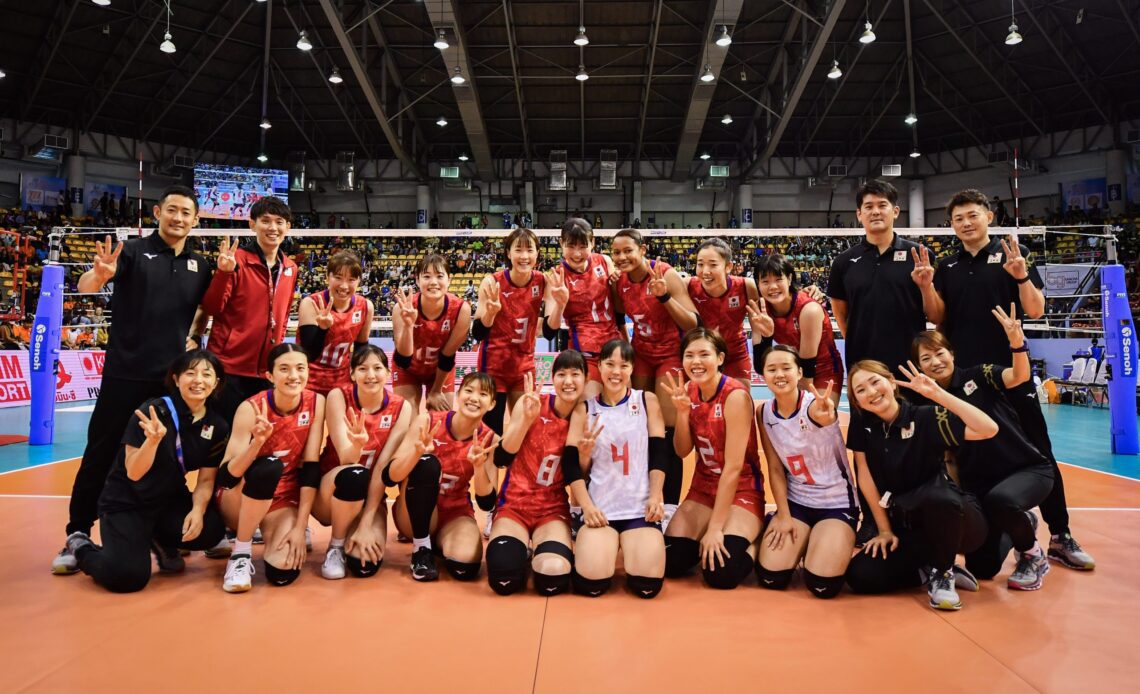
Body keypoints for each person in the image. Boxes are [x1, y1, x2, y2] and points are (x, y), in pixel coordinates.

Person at [925, 189, 1094, 570]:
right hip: (967, 381)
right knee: (968, 457)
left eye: (972, 215)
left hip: (1011, 374)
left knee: (1041, 451)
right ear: (951, 226)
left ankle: (1061, 535)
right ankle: (995, 525)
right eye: (958, 219)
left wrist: (1020, 278)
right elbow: (938, 319)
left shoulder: (1012, 257)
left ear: (988, 215)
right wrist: (924, 287)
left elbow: (1035, 309)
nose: (966, 223)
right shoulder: (947, 267)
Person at [53, 186, 213, 575]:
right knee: (102, 452)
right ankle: (77, 532)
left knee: (165, 459)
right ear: (158, 212)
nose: (178, 218)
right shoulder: (132, 252)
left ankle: (159, 532)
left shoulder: (201, 265)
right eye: (171, 210)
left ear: (195, 220)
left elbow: (204, 311)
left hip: (169, 383)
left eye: (185, 213)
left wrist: (195, 336)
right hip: (124, 375)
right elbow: (88, 286)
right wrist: (99, 274)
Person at [912, 307, 1053, 590]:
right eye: (926, 359)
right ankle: (1019, 523)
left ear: (952, 354)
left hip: (1027, 469)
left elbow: (1018, 377)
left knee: (1002, 500)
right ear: (919, 366)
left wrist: (1017, 343)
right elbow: (949, 457)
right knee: (983, 567)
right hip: (982, 485)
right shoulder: (927, 403)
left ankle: (1033, 555)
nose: (935, 362)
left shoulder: (980, 375)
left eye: (940, 353)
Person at [68, 350, 230, 593]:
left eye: (207, 374)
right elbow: (133, 472)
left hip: (167, 501)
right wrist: (152, 442)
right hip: (126, 502)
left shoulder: (216, 425)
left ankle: (160, 539)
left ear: (216, 382)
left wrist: (197, 510)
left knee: (211, 529)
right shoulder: (153, 410)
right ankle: (81, 547)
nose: (199, 380)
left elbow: (206, 480)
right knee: (127, 577)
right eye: (190, 373)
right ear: (176, 379)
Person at [844, 360, 997, 610]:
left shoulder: (924, 417)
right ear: (857, 401)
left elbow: (988, 429)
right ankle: (931, 567)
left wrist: (938, 394)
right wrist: (884, 530)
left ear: (891, 382)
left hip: (955, 519)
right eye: (860, 390)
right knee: (861, 575)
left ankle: (944, 572)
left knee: (938, 499)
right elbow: (865, 475)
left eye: (875, 382)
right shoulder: (864, 424)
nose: (871, 392)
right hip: (909, 525)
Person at [826, 179, 932, 543]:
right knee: (865, 448)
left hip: (908, 371)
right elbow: (840, 313)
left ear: (895, 211)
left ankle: (915, 514)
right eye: (868, 206)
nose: (875, 211)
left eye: (882, 205)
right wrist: (862, 344)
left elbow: (933, 309)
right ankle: (873, 517)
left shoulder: (917, 253)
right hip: (864, 372)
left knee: (914, 442)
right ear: (859, 214)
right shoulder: (845, 262)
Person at [214, 344, 326, 592]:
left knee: (282, 571)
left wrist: (299, 526)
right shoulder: (250, 408)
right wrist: (257, 444)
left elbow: (310, 467)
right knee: (268, 467)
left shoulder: (317, 402)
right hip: (240, 496)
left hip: (282, 499)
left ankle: (273, 532)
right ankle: (240, 553)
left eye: (300, 368)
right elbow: (226, 477)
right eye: (284, 369)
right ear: (270, 376)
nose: (293, 376)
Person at [660, 328, 765, 590]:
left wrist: (716, 528)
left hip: (741, 488)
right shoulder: (688, 390)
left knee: (722, 572)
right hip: (703, 489)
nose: (696, 362)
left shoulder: (735, 395)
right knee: (670, 561)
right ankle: (711, 533)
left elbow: (733, 468)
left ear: (719, 358)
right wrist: (682, 413)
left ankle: (757, 541)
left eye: (704, 354)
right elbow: (682, 451)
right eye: (689, 355)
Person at [611, 228, 699, 525]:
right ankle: (641, 494)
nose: (622, 257)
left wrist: (663, 297)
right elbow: (617, 315)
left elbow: (693, 321)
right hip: (641, 354)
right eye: (616, 252)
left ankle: (670, 503)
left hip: (669, 355)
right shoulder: (619, 283)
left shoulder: (665, 274)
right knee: (638, 424)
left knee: (669, 429)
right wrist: (624, 346)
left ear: (642, 250)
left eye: (628, 251)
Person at [567, 339, 667, 598]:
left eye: (624, 365)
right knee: (592, 585)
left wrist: (656, 495)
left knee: (647, 587)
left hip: (638, 510)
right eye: (610, 364)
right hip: (601, 511)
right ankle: (605, 543)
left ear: (632, 369)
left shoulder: (647, 401)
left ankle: (631, 544)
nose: (616, 371)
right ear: (598, 366)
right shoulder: (584, 409)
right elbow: (572, 466)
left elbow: (659, 454)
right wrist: (586, 507)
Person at [755, 346, 855, 599]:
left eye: (786, 368)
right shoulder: (764, 412)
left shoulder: (815, 406)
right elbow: (775, 467)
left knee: (822, 586)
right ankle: (781, 530)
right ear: (763, 375)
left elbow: (824, 417)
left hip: (835, 502)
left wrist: (827, 416)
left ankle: (823, 538)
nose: (780, 374)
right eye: (772, 369)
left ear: (799, 372)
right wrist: (783, 515)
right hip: (797, 503)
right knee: (771, 578)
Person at [485, 354, 585, 596]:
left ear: (586, 379)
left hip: (551, 510)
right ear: (553, 379)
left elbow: (582, 473)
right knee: (503, 578)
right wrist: (525, 421)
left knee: (554, 577)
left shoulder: (585, 418)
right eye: (561, 374)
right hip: (514, 506)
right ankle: (519, 550)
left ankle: (538, 549)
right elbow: (501, 458)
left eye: (575, 374)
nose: (568, 381)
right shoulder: (531, 403)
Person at [384, 372, 499, 582]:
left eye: (483, 394)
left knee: (466, 566)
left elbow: (486, 501)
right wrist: (416, 454)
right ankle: (421, 548)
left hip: (455, 513)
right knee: (427, 464)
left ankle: (435, 543)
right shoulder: (427, 420)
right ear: (458, 393)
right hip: (412, 512)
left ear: (491, 404)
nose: (474, 398)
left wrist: (479, 467)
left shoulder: (490, 439)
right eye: (469, 390)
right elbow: (390, 476)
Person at [313, 346, 412, 579]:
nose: (370, 375)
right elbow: (347, 459)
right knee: (354, 473)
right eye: (363, 368)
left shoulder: (401, 407)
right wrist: (358, 445)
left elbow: (382, 467)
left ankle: (358, 526)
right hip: (332, 492)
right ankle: (335, 546)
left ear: (388, 373)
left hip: (371, 495)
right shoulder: (338, 396)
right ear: (352, 373)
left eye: (377, 368)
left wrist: (367, 522)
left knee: (364, 565)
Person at [201, 196, 299, 423]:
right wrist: (224, 273)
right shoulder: (236, 260)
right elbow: (213, 308)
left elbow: (283, 315)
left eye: (279, 221)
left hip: (266, 370)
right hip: (229, 367)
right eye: (265, 221)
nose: (273, 227)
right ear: (252, 224)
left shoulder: (291, 268)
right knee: (222, 435)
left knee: (257, 433)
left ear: (288, 227)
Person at [473, 227, 555, 435]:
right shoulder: (492, 282)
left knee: (525, 432)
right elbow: (477, 333)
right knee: (490, 434)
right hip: (493, 366)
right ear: (508, 253)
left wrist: (559, 305)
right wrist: (490, 314)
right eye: (518, 250)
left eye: (530, 250)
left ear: (537, 253)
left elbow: (550, 332)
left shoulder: (543, 282)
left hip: (524, 367)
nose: (524, 256)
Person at [750, 254, 843, 401]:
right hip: (792, 370)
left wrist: (801, 408)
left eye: (778, 279)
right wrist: (767, 336)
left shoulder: (809, 309)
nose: (772, 287)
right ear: (758, 284)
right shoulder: (760, 310)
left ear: (789, 279)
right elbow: (759, 366)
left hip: (825, 369)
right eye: (765, 281)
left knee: (815, 417)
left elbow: (807, 367)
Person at [546, 218, 621, 398]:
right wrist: (560, 304)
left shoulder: (605, 261)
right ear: (561, 244)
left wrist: (617, 285)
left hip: (614, 349)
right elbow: (549, 331)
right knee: (590, 409)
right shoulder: (556, 277)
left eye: (583, 246)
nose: (577, 253)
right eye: (571, 246)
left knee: (622, 408)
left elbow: (619, 309)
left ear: (593, 243)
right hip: (585, 354)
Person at [391, 254, 472, 411]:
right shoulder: (402, 308)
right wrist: (408, 326)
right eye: (426, 276)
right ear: (417, 280)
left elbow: (447, 357)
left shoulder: (461, 309)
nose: (433, 282)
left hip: (440, 371)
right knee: (406, 419)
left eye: (440, 276)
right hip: (408, 370)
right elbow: (403, 360)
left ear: (449, 280)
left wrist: (436, 390)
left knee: (441, 423)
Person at [297, 251, 374, 396]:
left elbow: (361, 348)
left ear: (359, 282)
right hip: (308, 380)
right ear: (327, 277)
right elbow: (308, 354)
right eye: (338, 278)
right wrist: (322, 329)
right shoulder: (311, 303)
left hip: (342, 382)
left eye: (351, 279)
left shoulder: (365, 306)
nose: (344, 286)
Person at [686, 238, 761, 386]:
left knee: (741, 400)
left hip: (735, 354)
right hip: (701, 356)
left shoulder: (746, 286)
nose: (705, 271)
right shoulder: (687, 286)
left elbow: (757, 328)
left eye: (713, 264)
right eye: (700, 264)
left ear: (728, 266)